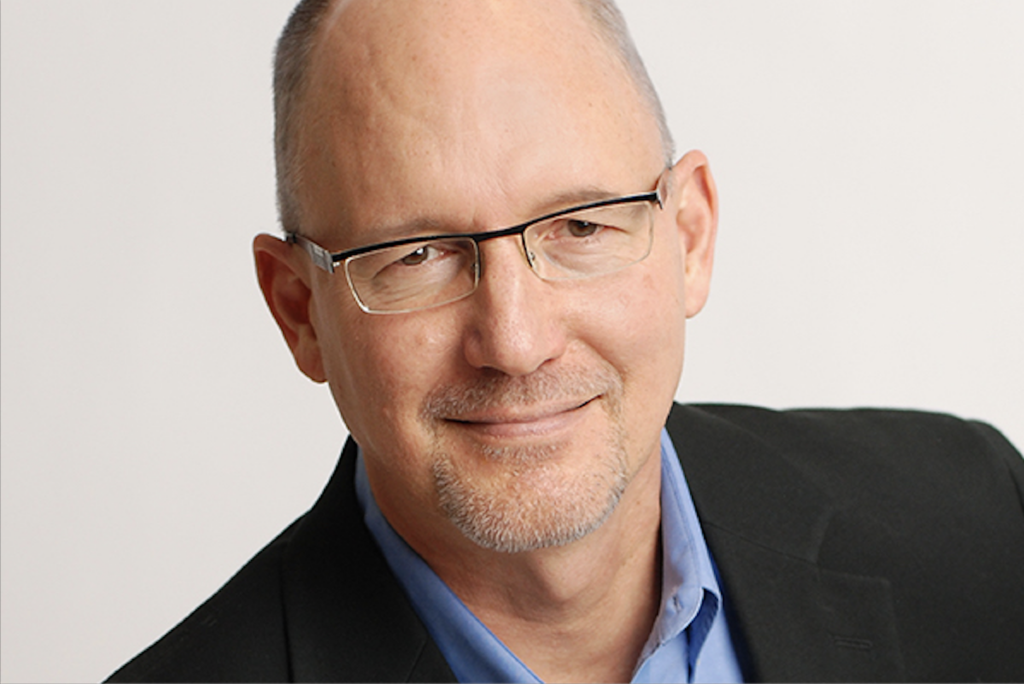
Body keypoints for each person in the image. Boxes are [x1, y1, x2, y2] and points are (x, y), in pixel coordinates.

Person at [108, 0, 1024, 681]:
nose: (515, 340)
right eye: (417, 255)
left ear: (690, 236)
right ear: (299, 311)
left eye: (580, 227)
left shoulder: (979, 524)